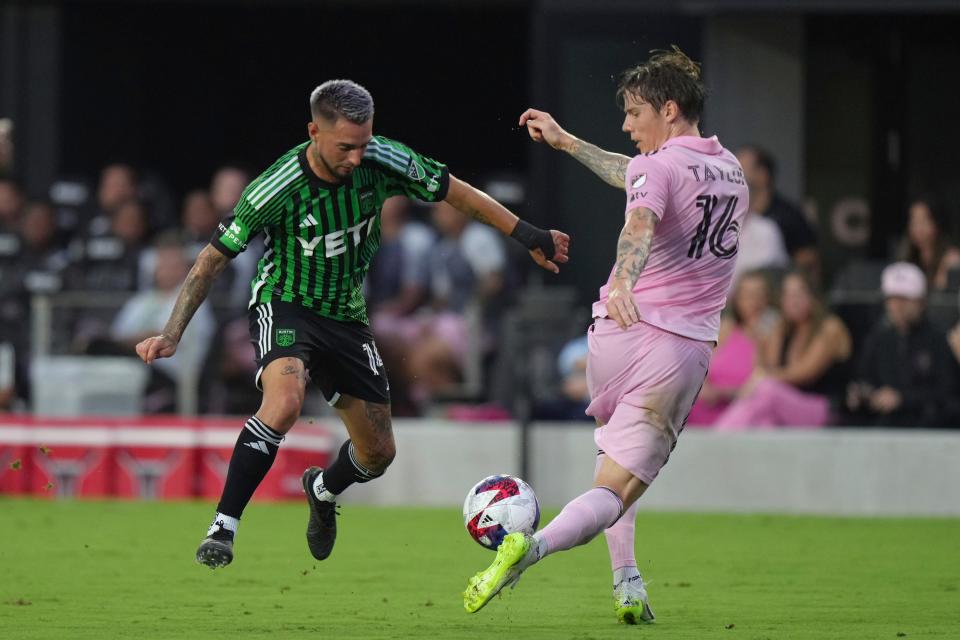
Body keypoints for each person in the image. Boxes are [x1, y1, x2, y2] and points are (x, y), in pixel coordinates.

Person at [134, 79, 569, 569]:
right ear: (313, 132)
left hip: (346, 316)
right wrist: (172, 332)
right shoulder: (276, 187)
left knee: (378, 452)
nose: (358, 158)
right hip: (287, 304)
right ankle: (223, 527)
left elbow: (457, 194)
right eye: (346, 147)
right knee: (285, 400)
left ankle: (322, 490)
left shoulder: (383, 159)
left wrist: (528, 233)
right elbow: (209, 262)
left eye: (364, 144)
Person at [463, 48, 748, 623]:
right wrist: (625, 277)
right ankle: (531, 549)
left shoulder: (656, 168)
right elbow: (640, 216)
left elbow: (639, 188)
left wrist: (619, 282)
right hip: (673, 348)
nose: (625, 124)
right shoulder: (732, 170)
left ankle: (627, 583)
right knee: (616, 491)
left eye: (633, 112)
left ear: (669, 110)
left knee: (608, 467)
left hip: (613, 337)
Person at [711, 270, 851, 430]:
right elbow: (767, 367)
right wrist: (760, 343)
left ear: (813, 296)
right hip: (789, 408)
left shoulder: (829, 327)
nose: (793, 301)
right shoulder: (784, 329)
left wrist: (760, 379)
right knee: (765, 423)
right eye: (787, 295)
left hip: (823, 409)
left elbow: (804, 374)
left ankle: (715, 440)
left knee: (767, 389)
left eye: (798, 294)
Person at [848, 262, 959, 427]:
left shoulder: (938, 340)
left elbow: (949, 394)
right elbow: (865, 378)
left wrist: (903, 399)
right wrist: (863, 394)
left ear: (921, 302)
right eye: (892, 299)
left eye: (904, 300)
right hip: (883, 427)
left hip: (927, 428)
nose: (896, 306)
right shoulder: (879, 339)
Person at [687, 271, 776, 426]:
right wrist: (704, 387)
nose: (752, 301)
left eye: (758, 295)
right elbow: (704, 365)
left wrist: (759, 339)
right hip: (707, 403)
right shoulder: (727, 328)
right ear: (737, 299)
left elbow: (764, 379)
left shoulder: (772, 331)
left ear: (767, 299)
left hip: (741, 409)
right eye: (747, 295)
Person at [736, 144, 819, 278]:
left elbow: (808, 260)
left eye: (741, 167)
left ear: (763, 174)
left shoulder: (789, 215)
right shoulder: (731, 215)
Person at [897, 195, 960, 292]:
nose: (918, 229)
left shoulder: (951, 258)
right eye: (914, 222)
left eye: (924, 221)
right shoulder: (905, 256)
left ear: (937, 223)